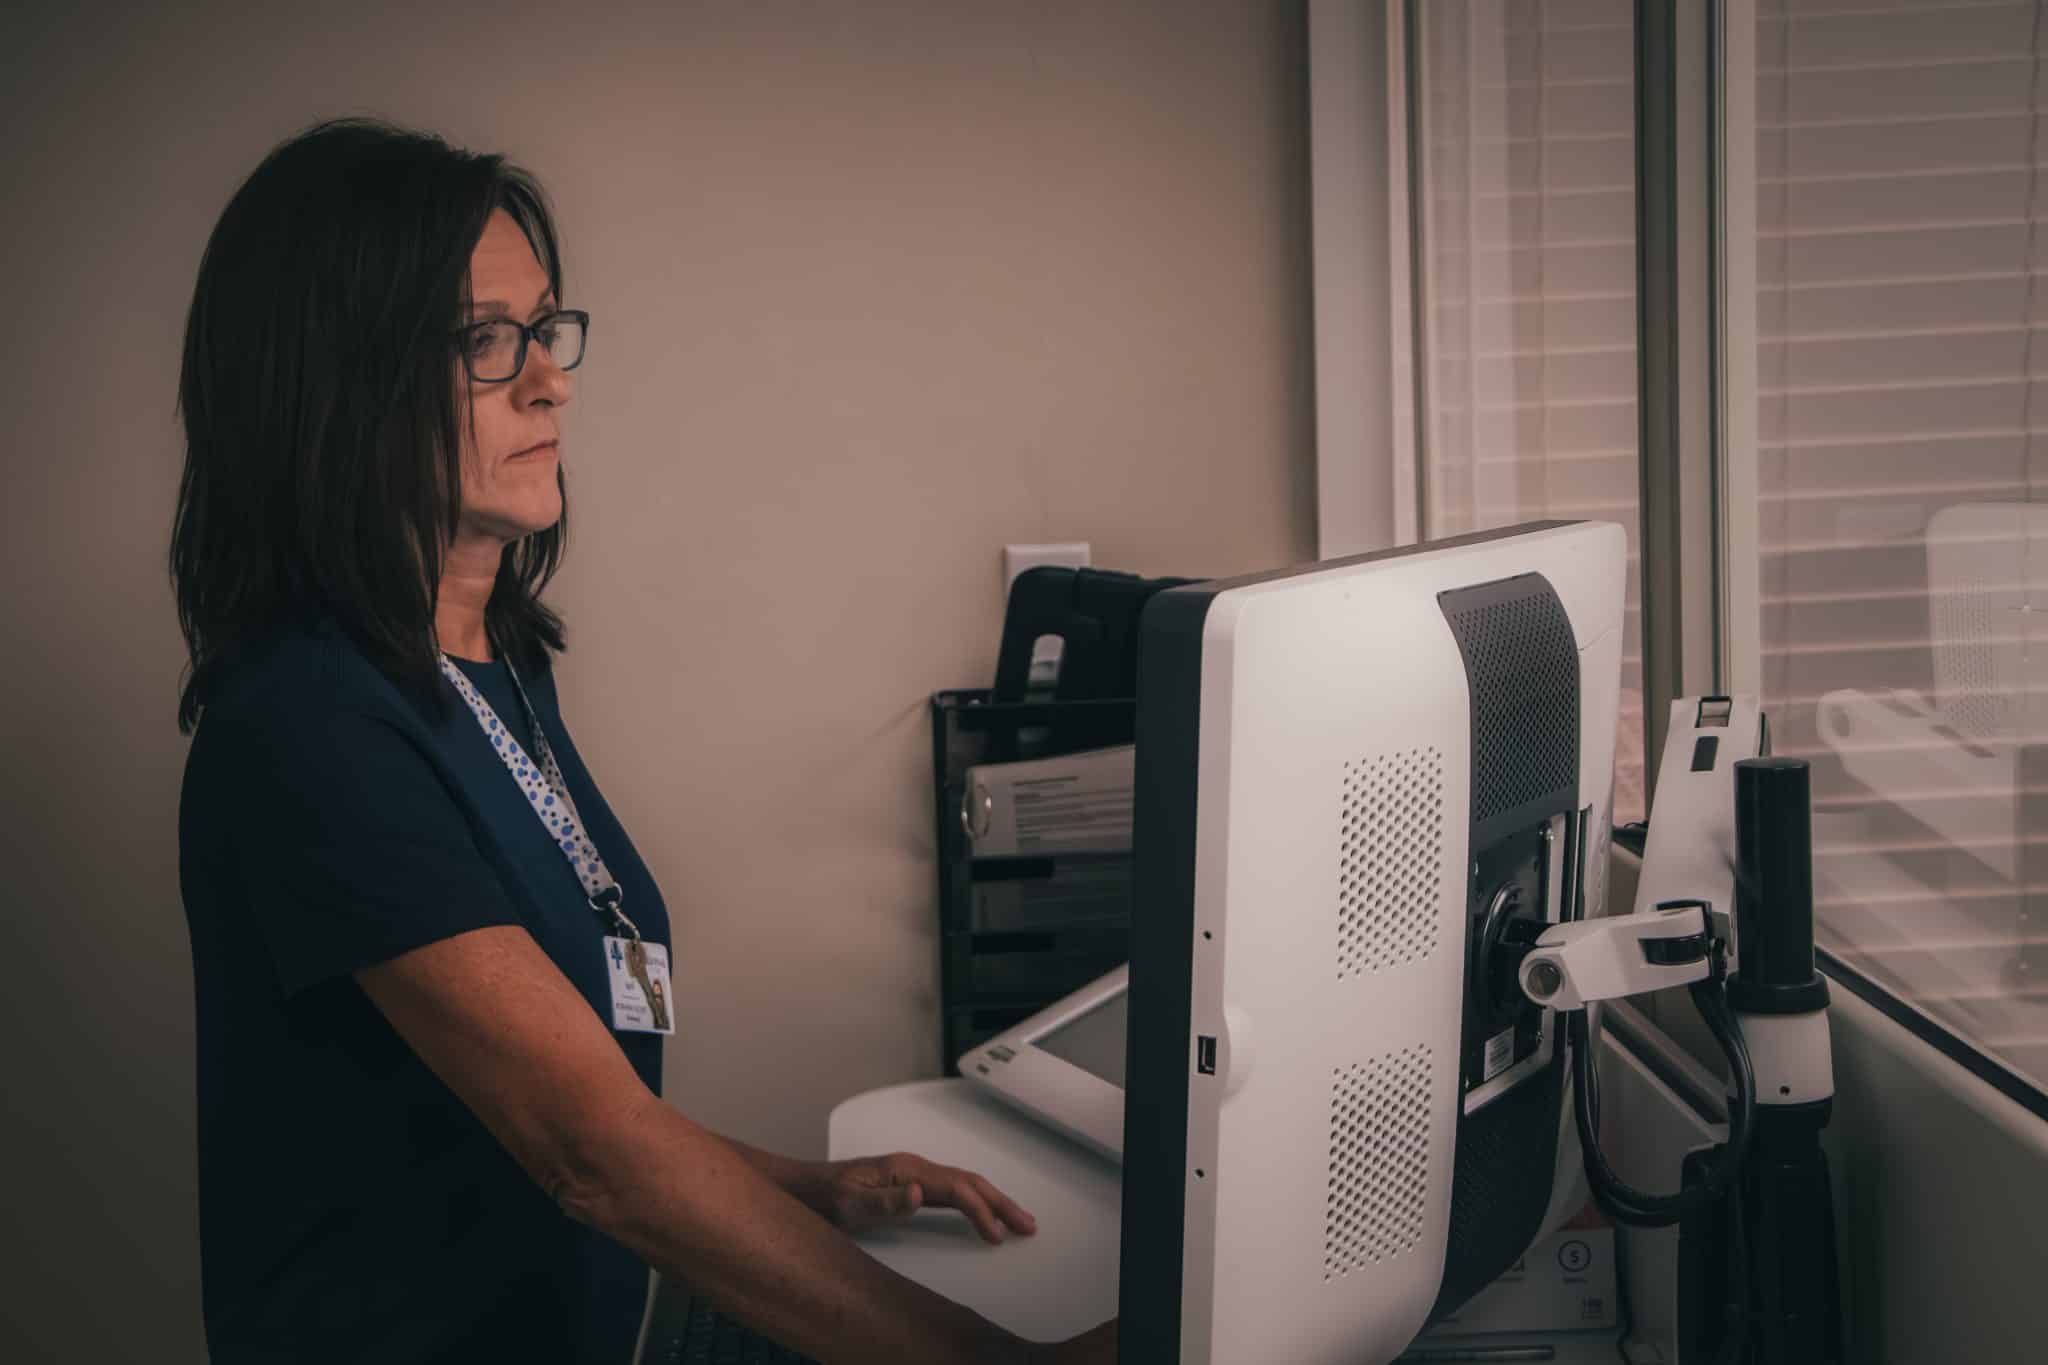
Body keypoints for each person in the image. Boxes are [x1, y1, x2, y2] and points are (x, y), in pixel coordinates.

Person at [171, 115, 1118, 1365]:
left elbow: (548, 1102)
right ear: (334, 383)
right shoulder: (306, 728)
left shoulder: (498, 665)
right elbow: (589, 1152)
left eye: (544, 329)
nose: (548, 380)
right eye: (481, 343)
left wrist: (807, 1187)